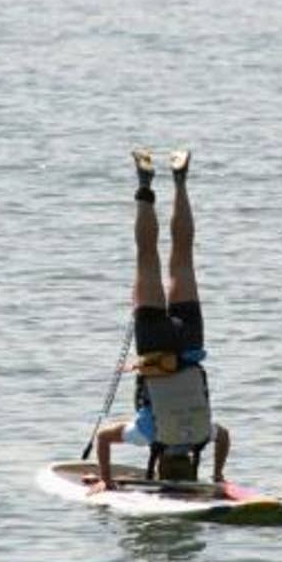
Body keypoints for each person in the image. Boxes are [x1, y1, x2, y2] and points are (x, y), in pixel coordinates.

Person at [88, 147, 231, 492]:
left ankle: (179, 181)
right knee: (148, 257)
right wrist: (105, 479)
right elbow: (104, 439)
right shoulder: (147, 434)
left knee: (182, 256)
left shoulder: (202, 435)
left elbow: (224, 435)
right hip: (154, 342)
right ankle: (146, 184)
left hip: (189, 341)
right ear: (162, 465)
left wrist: (217, 472)